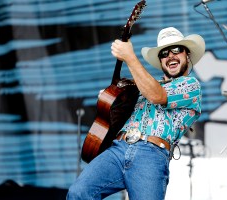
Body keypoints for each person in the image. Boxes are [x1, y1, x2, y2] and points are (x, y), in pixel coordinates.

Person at [67, 27, 205, 200]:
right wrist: (110, 96)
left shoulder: (191, 85)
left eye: (176, 50)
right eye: (164, 53)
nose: (170, 56)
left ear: (187, 55)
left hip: (151, 153)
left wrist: (130, 57)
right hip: (118, 148)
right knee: (78, 193)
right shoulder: (142, 85)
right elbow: (120, 101)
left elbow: (156, 95)